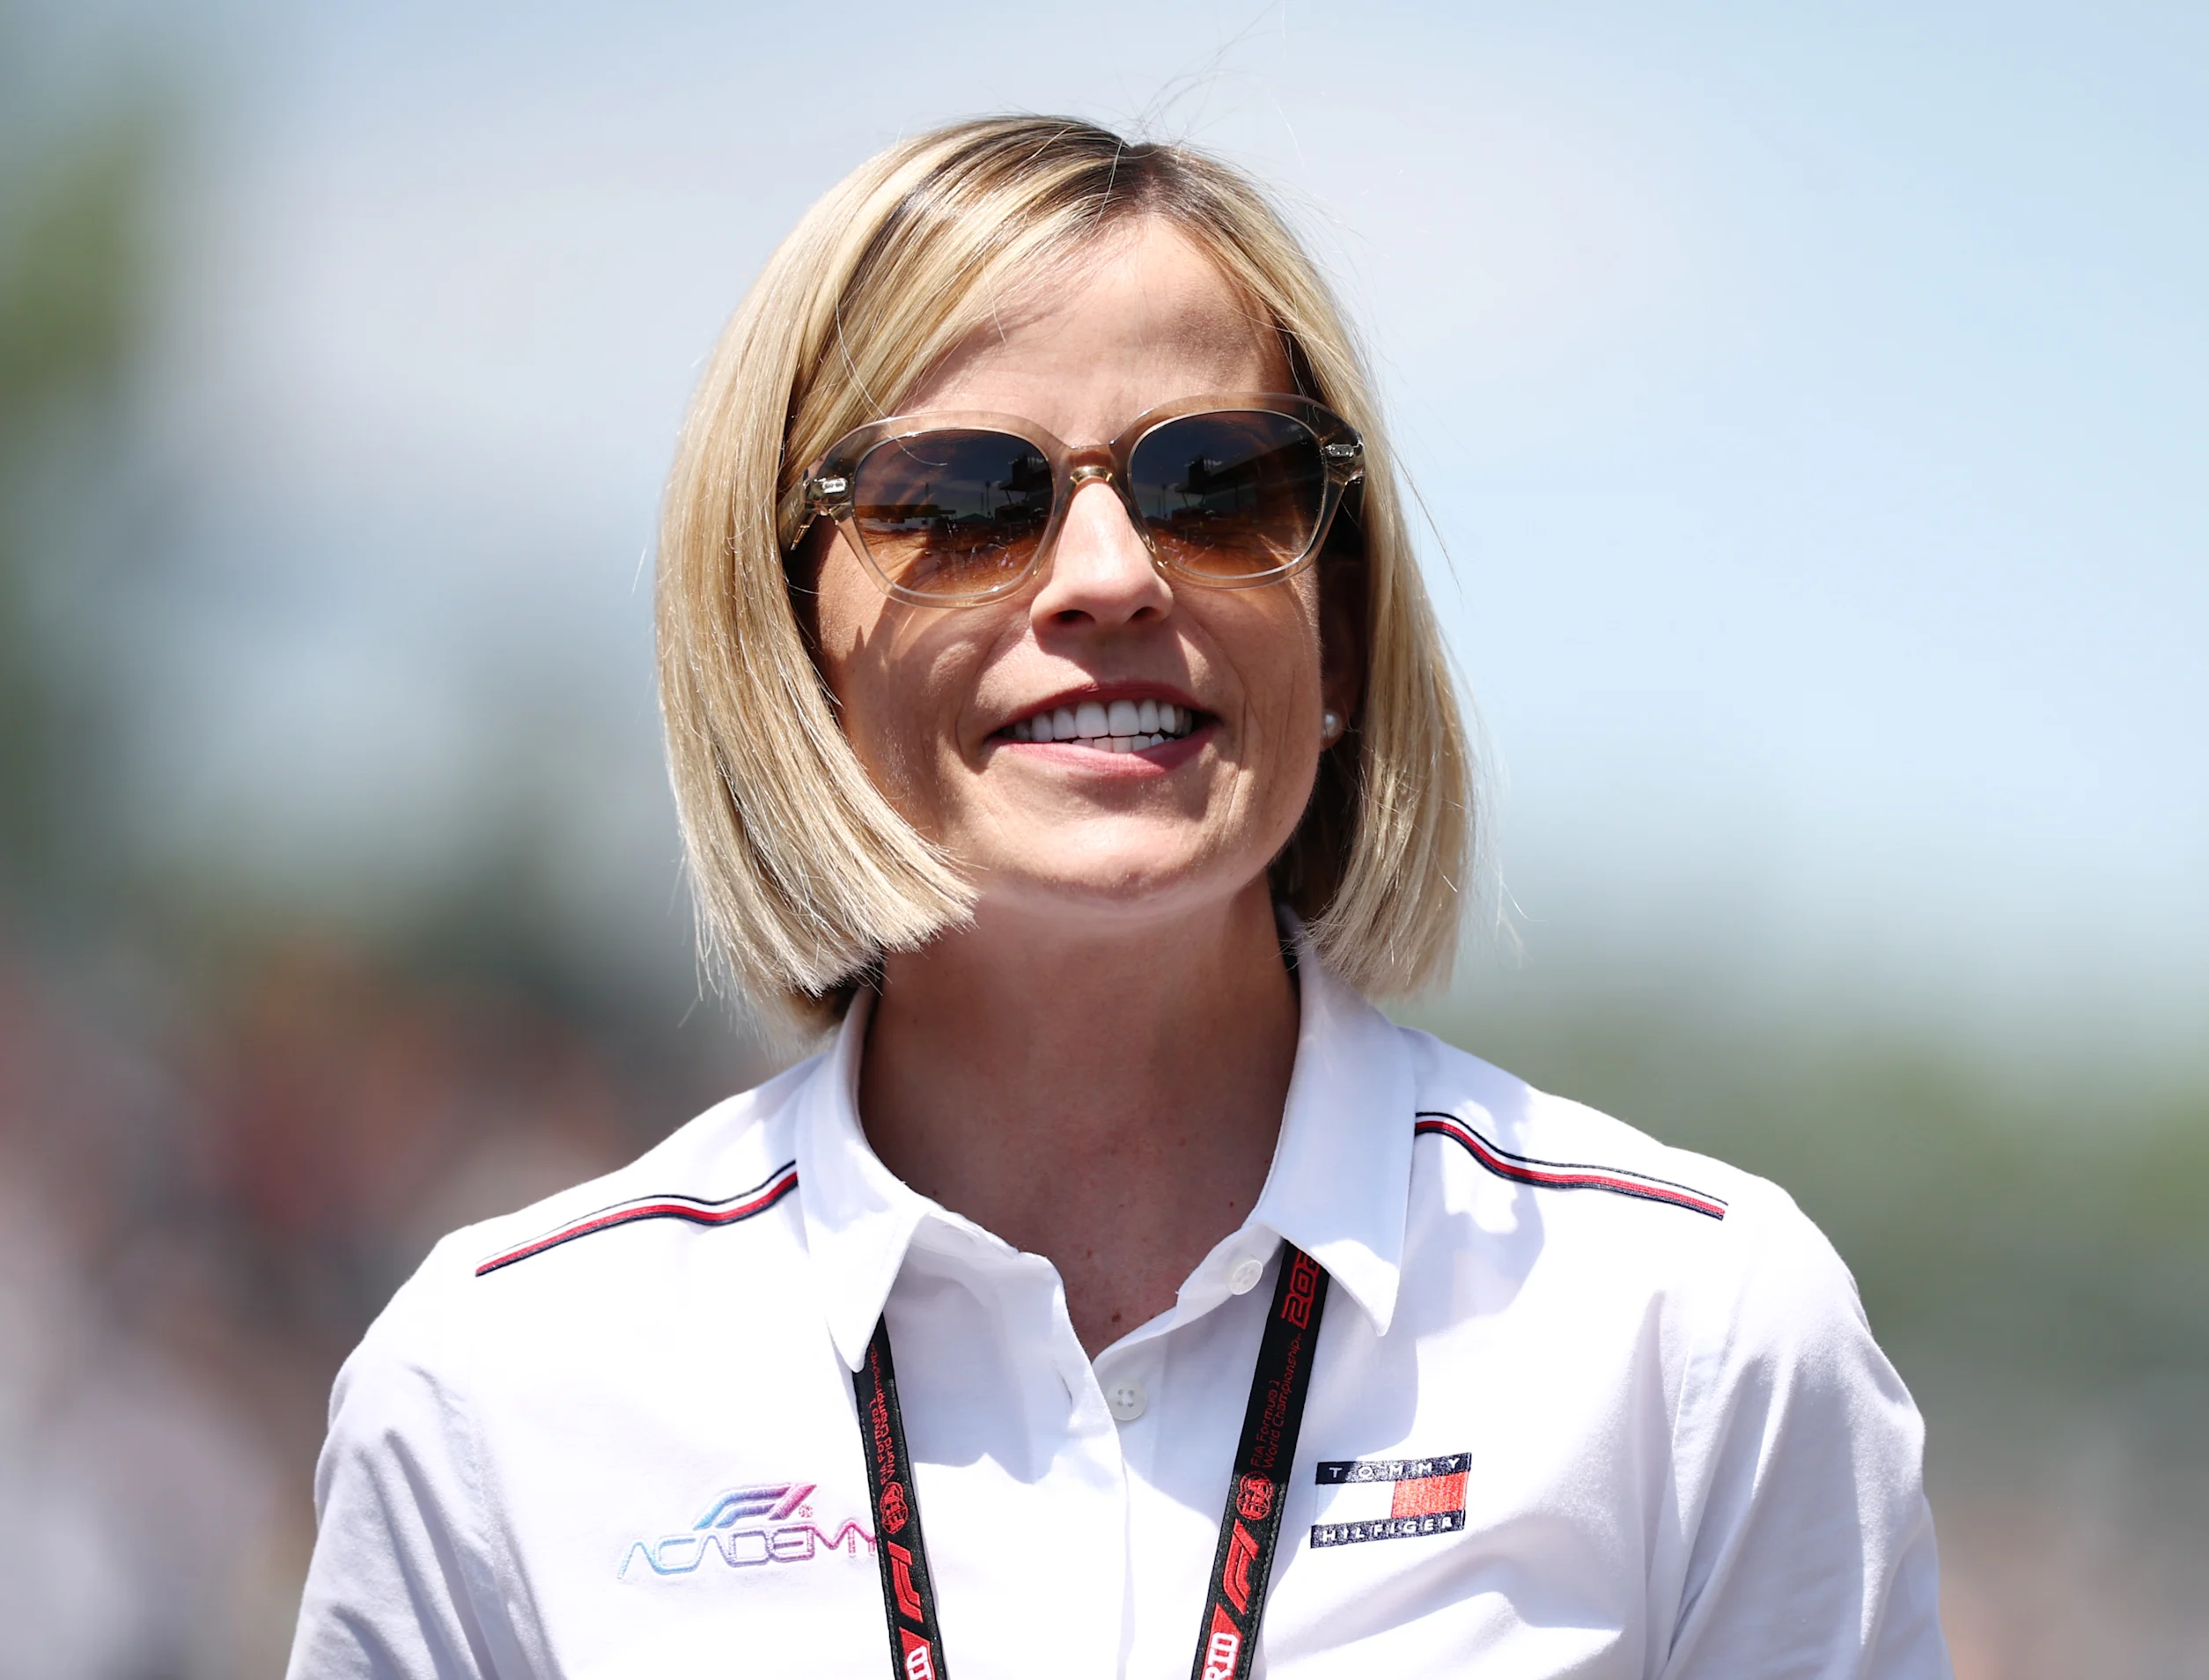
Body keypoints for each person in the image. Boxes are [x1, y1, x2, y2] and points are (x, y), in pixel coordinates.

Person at [287, 115, 1949, 1679]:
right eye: (959, 503)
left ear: (1343, 630)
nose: (1112, 577)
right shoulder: (496, 1394)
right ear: (791, 643)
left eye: (1220, 487)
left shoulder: (1698, 1337)